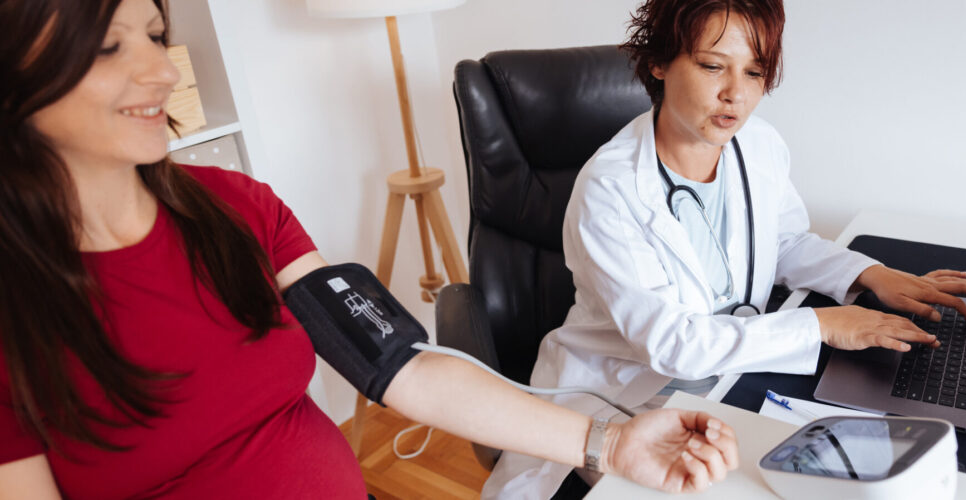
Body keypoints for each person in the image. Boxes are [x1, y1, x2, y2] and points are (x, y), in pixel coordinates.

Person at [0, 1, 740, 498]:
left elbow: (399, 367)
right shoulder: (17, 309)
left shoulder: (237, 209)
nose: (162, 70)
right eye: (108, 46)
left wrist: (607, 446)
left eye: (157, 35)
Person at [483, 0, 966, 497]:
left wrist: (868, 275)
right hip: (628, 395)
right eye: (713, 66)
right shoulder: (610, 189)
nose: (736, 95)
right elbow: (673, 345)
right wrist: (823, 324)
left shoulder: (759, 145)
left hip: (734, 367)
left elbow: (786, 241)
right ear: (658, 61)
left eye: (754, 73)